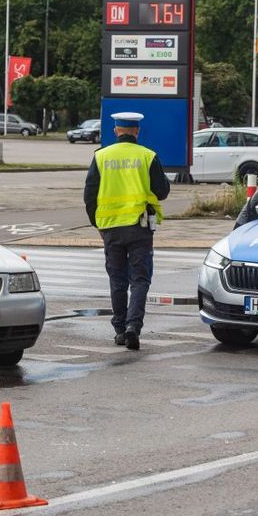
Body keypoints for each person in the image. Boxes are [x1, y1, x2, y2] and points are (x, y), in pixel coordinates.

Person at [83, 112, 170, 350]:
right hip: (139, 227)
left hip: (110, 228)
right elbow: (161, 191)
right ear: (137, 131)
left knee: (117, 280)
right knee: (140, 279)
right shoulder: (147, 156)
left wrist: (97, 223)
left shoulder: (101, 157)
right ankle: (133, 327)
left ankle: (120, 329)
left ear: (116, 131)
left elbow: (89, 195)